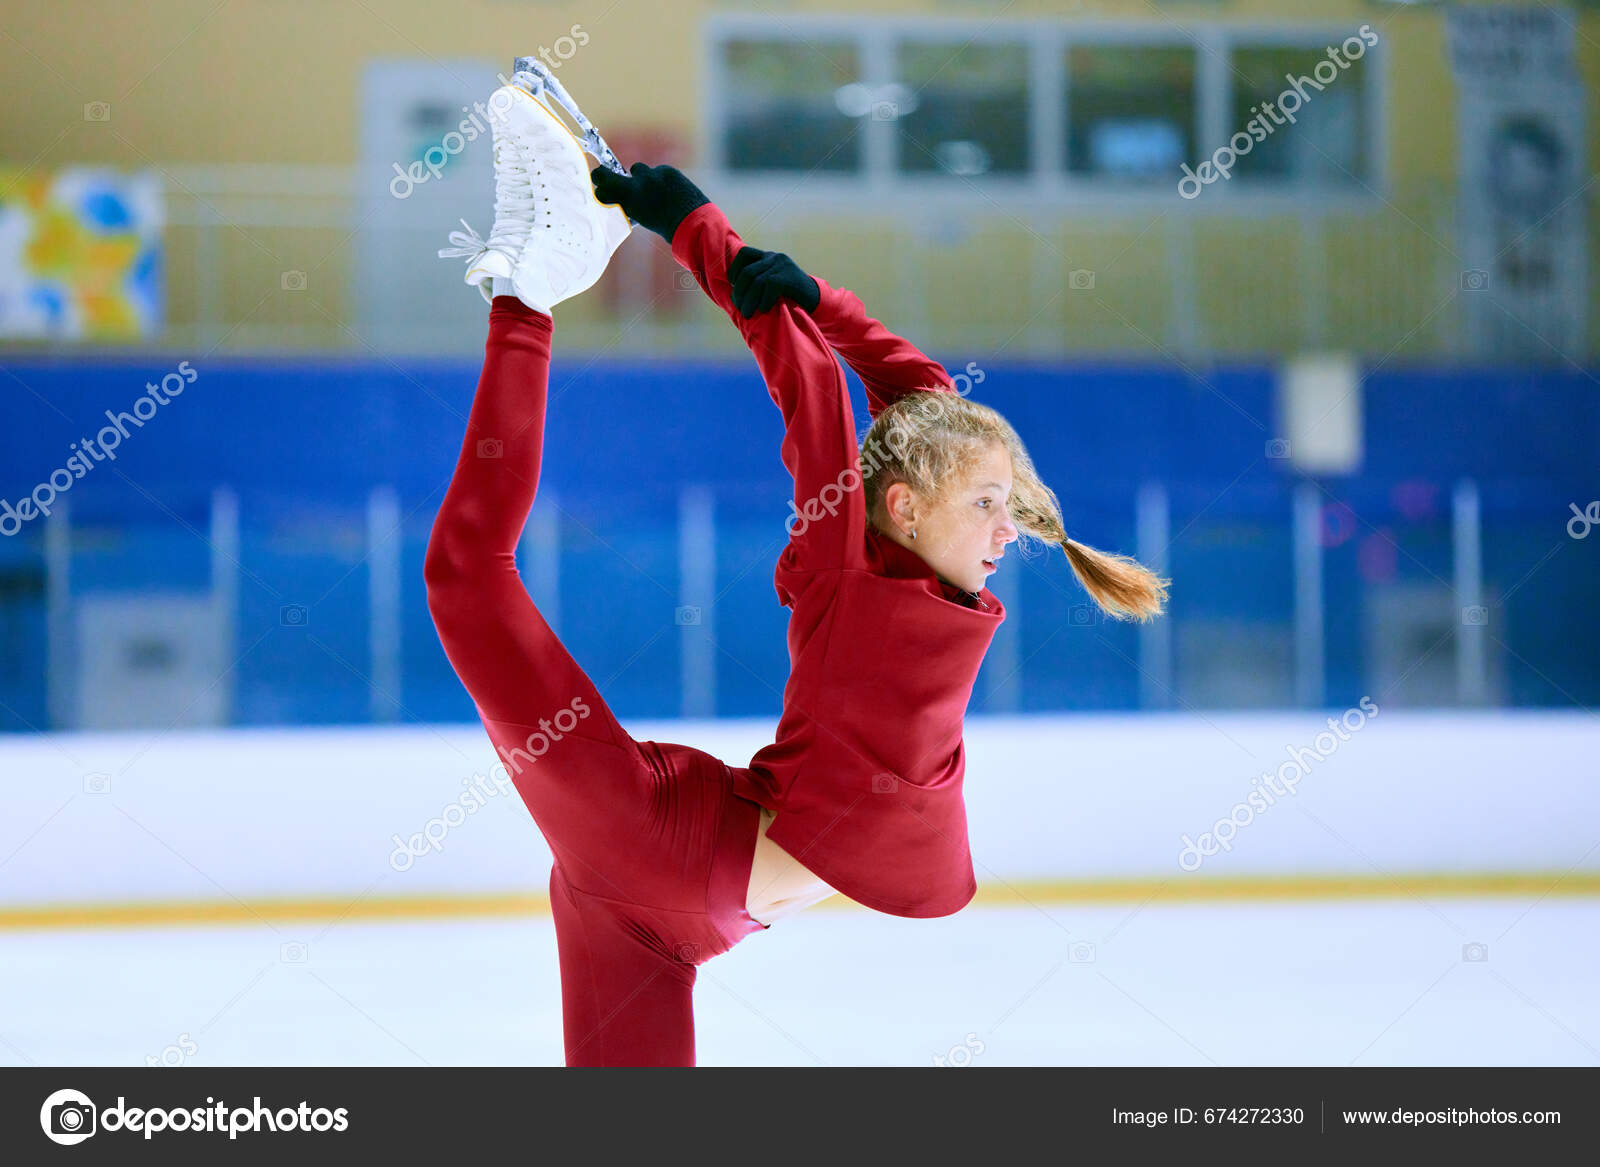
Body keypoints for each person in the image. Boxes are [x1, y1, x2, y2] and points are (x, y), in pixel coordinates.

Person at [430, 71, 1169, 1067]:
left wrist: (730, 249)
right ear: (905, 506)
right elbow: (822, 388)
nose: (1008, 534)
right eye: (987, 506)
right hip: (668, 864)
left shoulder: (908, 556)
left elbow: (921, 407)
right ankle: (528, 293)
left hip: (674, 876)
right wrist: (726, 252)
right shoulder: (853, 569)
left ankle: (535, 281)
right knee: (467, 575)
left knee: (467, 576)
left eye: (1003, 504)